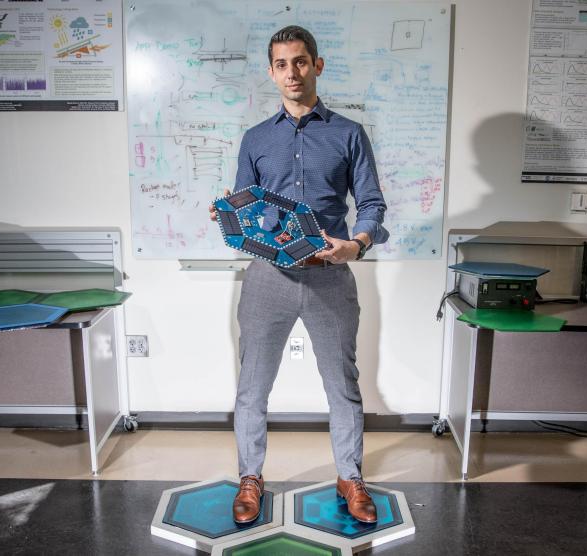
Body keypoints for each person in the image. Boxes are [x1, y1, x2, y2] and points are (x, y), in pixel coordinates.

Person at [209, 25, 389, 525]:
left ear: (317, 65)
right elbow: (246, 209)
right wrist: (231, 216)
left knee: (344, 386)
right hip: (268, 278)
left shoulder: (349, 133)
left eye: (301, 62)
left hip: (330, 277)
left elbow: (372, 204)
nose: (292, 73)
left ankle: (350, 477)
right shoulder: (255, 139)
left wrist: (354, 244)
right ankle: (251, 476)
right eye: (282, 64)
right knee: (252, 385)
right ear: (272, 72)